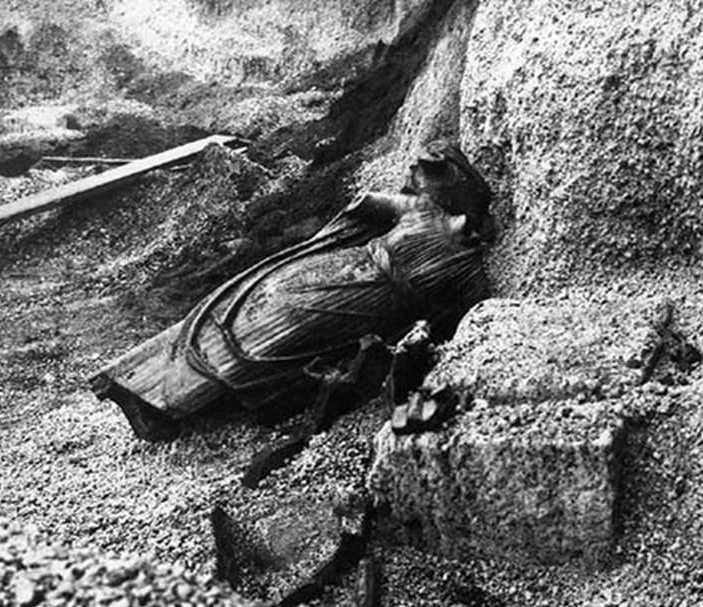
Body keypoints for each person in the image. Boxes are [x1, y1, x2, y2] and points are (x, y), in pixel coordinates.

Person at [90, 139, 494, 441]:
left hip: (359, 301)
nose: (410, 180)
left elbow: (452, 318)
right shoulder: (430, 219)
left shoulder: (459, 258)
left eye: (419, 175)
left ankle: (177, 403)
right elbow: (368, 203)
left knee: (267, 347)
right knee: (251, 315)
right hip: (337, 271)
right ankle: (145, 384)